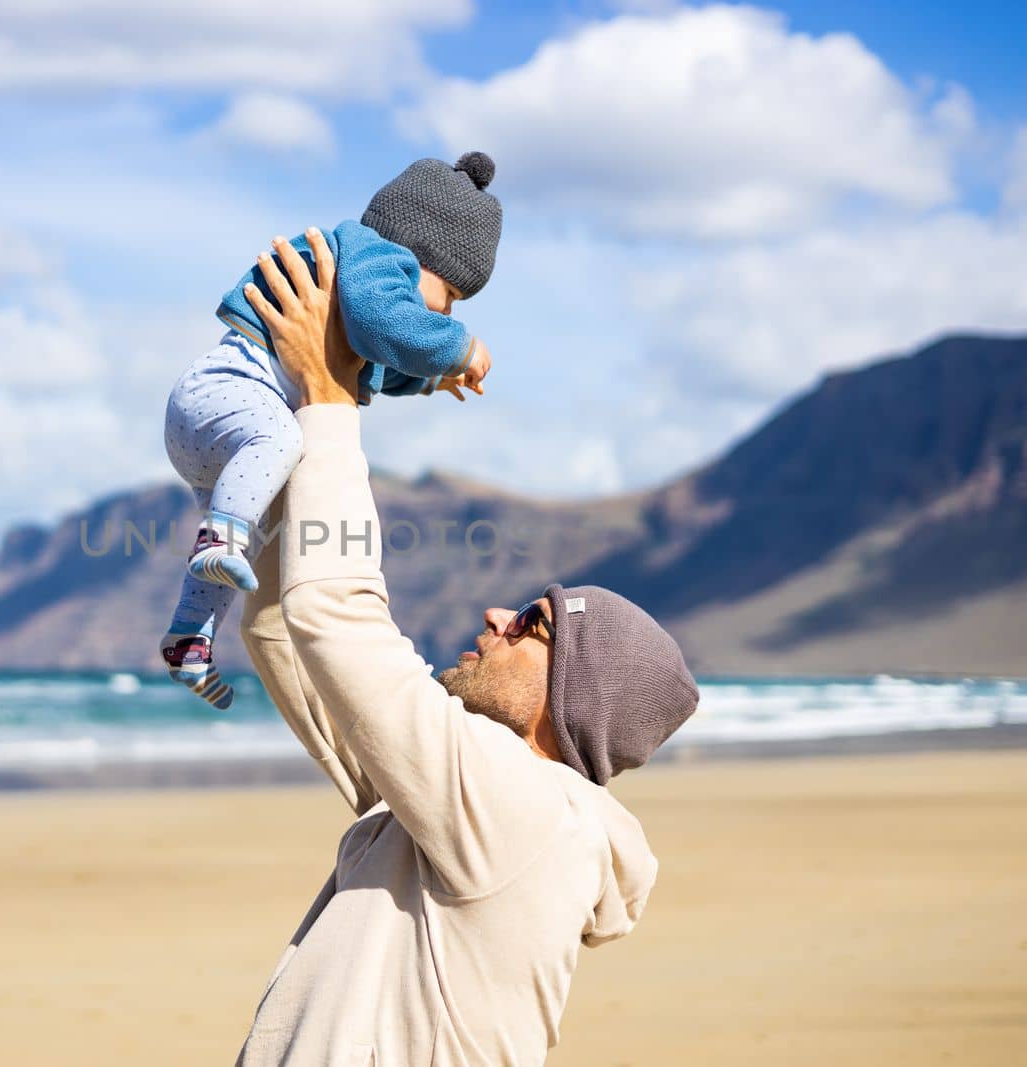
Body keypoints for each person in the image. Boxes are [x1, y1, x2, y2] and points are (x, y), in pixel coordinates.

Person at [230, 229, 700, 1065]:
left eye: (533, 625)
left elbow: (337, 620)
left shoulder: (525, 813)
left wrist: (331, 401)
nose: (497, 616)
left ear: (574, 701)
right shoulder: (453, 805)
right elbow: (285, 632)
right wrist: (275, 437)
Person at [160, 152, 501, 709]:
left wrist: (429, 380)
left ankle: (189, 639)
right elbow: (387, 324)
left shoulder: (362, 284)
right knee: (280, 447)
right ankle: (220, 539)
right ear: (424, 256)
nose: (447, 311)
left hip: (219, 428)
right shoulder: (376, 255)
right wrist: (459, 345)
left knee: (248, 542)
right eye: (454, 298)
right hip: (223, 393)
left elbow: (375, 361)